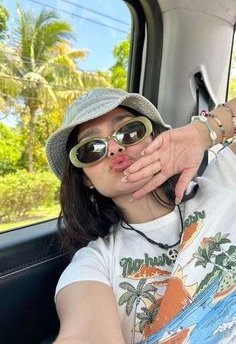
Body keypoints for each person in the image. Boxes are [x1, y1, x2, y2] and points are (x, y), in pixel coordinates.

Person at [46, 88, 236, 344]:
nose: (114, 147)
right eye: (91, 148)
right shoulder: (94, 262)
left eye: (129, 131)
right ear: (85, 178)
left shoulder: (225, 180)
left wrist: (204, 131)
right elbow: (84, 332)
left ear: (155, 138)